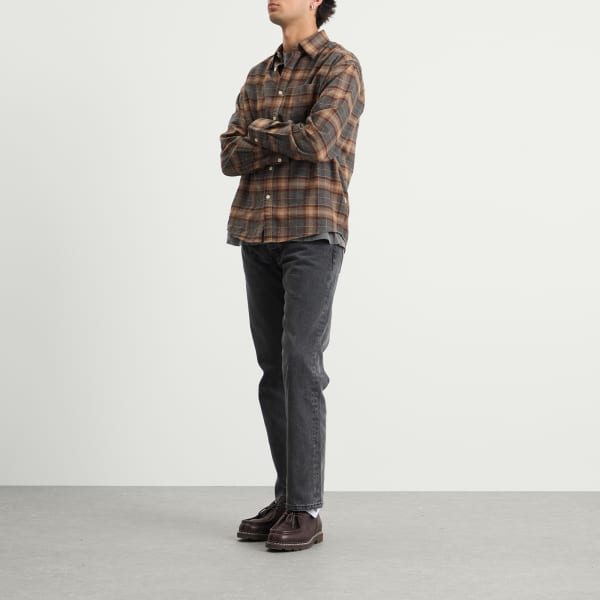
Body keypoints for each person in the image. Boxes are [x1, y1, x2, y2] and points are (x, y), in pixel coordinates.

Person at [220, 0, 365, 552]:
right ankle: (287, 499)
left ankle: (307, 508)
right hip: (257, 230)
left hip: (312, 232)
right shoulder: (259, 74)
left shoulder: (339, 65)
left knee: (301, 364)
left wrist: (259, 133)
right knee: (273, 370)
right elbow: (228, 156)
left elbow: (319, 140)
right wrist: (280, 134)